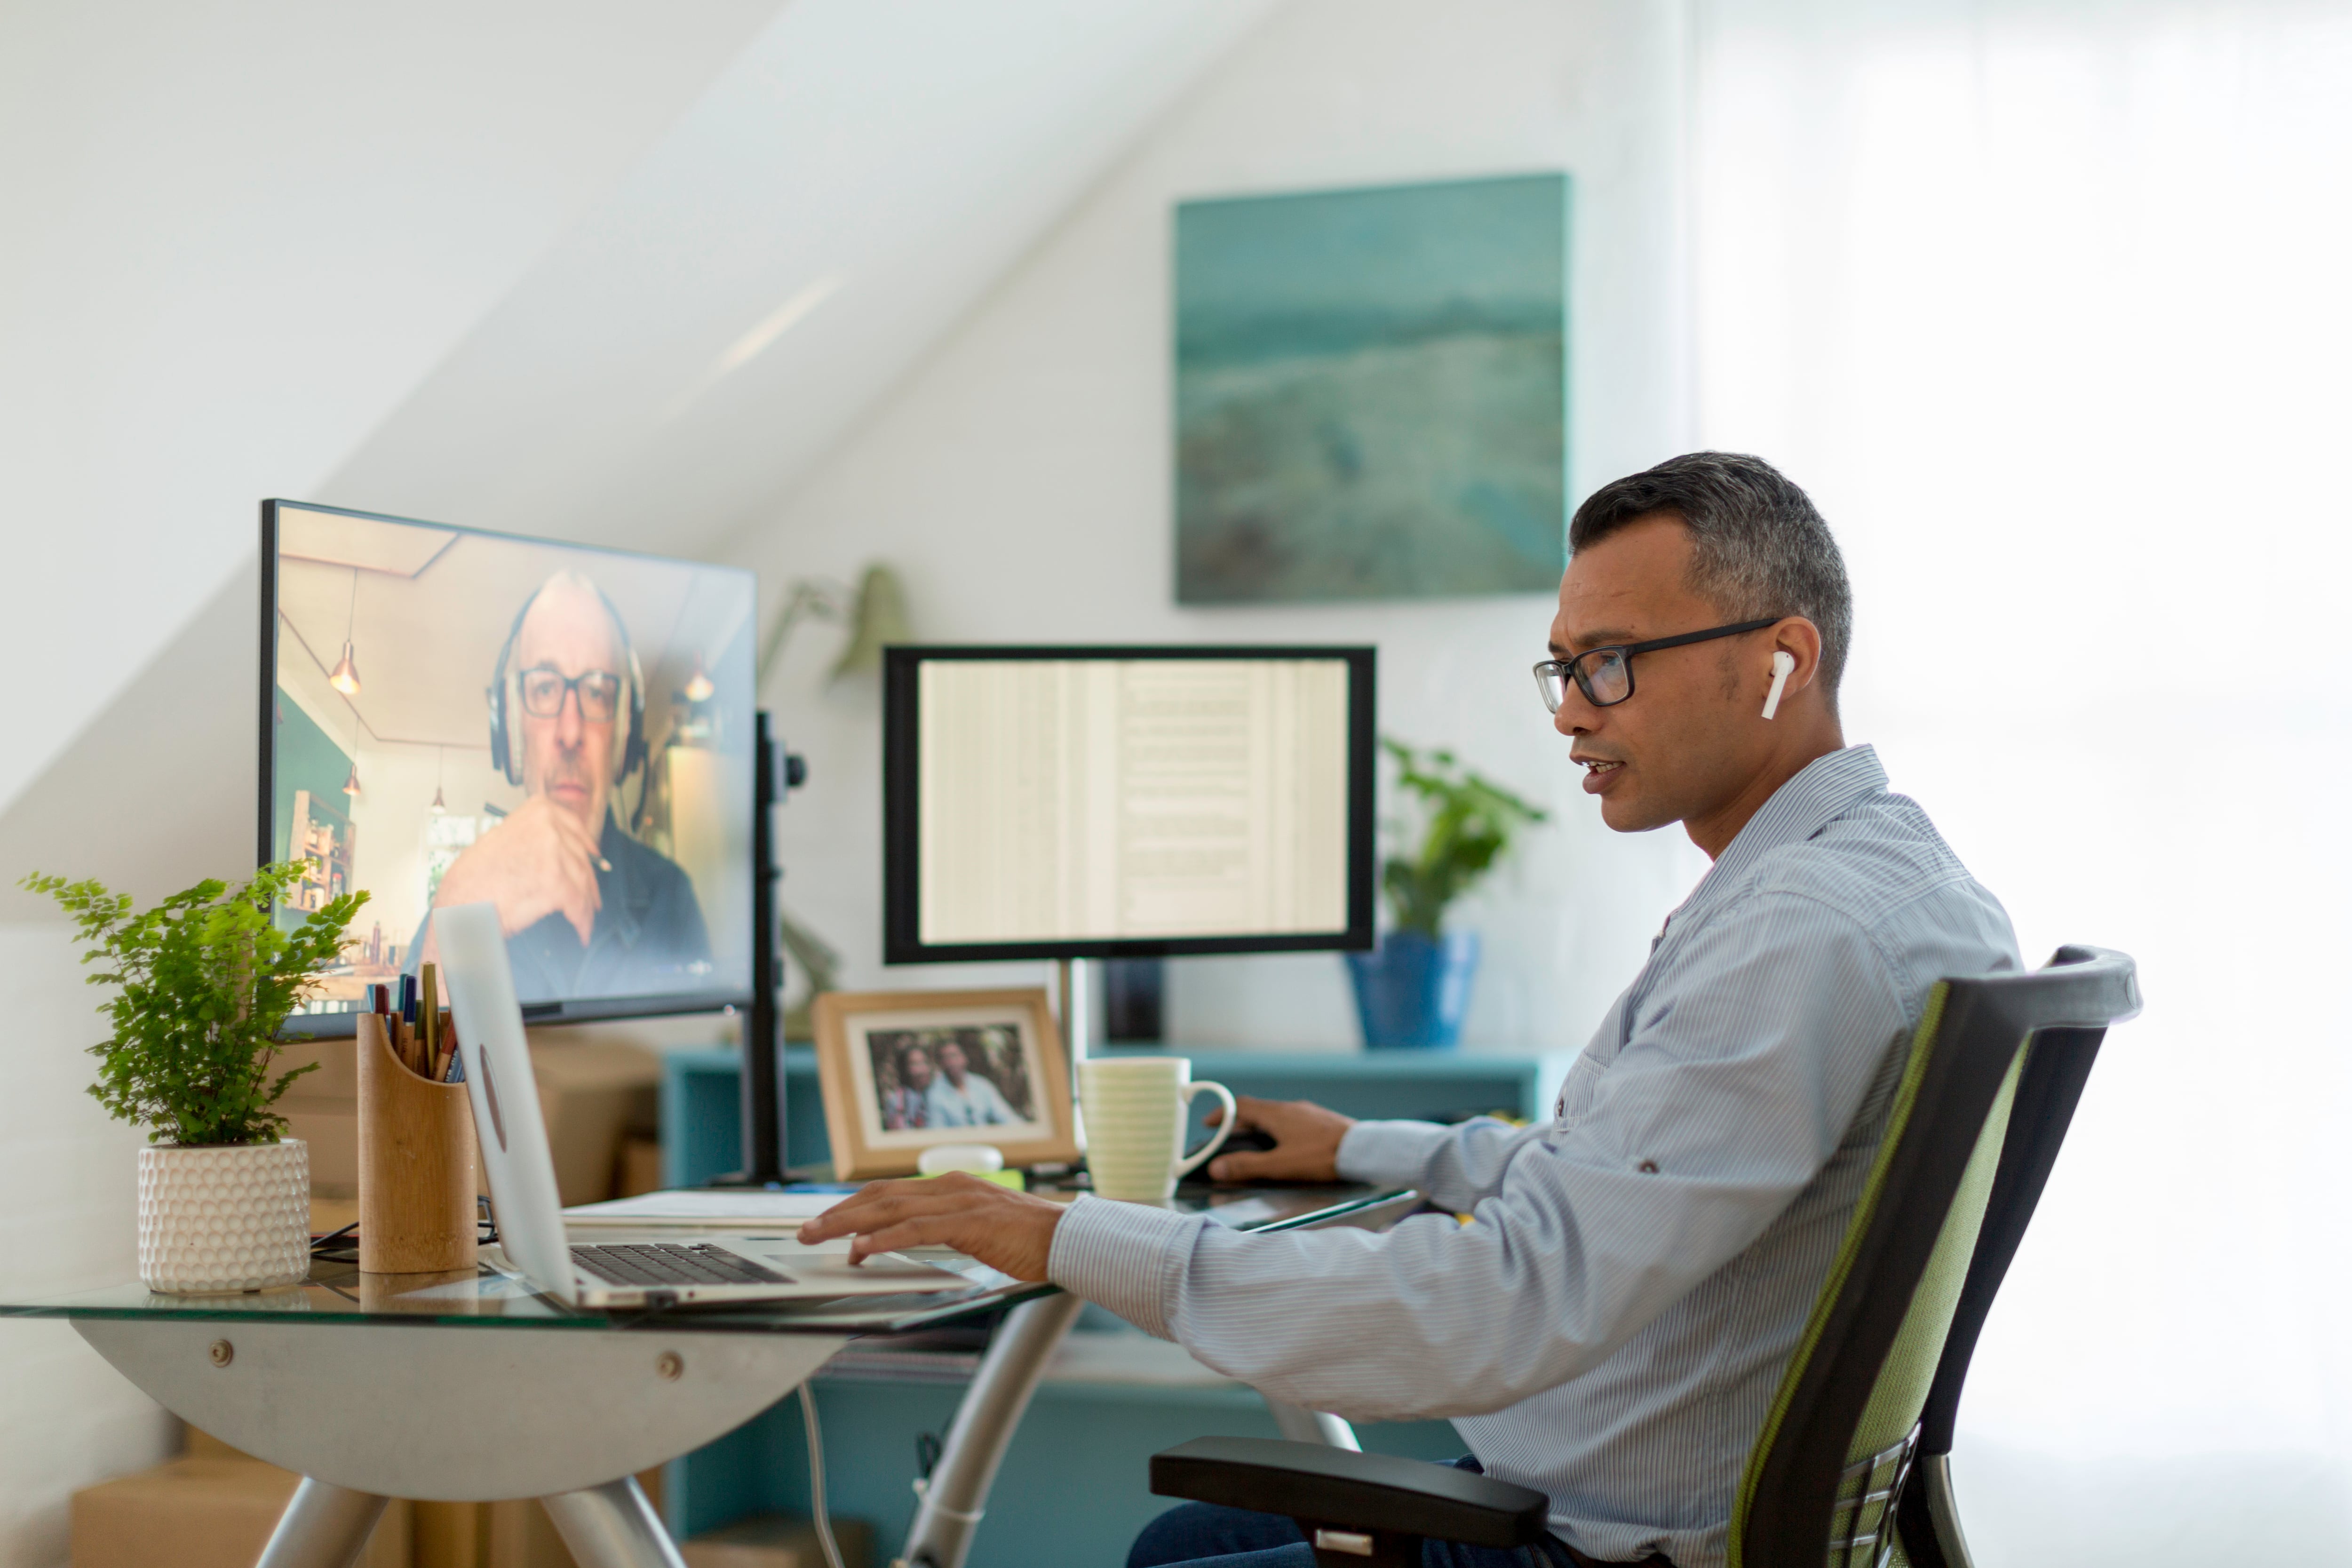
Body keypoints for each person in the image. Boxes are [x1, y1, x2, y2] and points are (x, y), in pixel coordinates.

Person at [800, 454, 2020, 1568]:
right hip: (1657, 1494)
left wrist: (1067, 1235)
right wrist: (1373, 1145)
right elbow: (1630, 1180)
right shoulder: (1880, 881)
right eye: (1564, 666)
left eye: (1612, 661)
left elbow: (1500, 1304)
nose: (1571, 712)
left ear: (1782, 661)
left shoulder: (1793, 932)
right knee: (1183, 1538)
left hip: (1610, 1542)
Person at [416, 571, 713, 1000]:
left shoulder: (673, 898)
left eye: (596, 692)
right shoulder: (464, 892)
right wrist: (457, 911)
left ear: (622, 732)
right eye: (545, 688)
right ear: (512, 729)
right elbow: (401, 1065)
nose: (571, 731)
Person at [923, 1038, 1019, 1128]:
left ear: (964, 1058)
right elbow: (938, 1130)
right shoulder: (935, 1094)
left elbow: (1006, 1117)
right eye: (946, 1058)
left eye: (954, 1056)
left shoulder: (982, 1085)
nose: (952, 1062)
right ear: (941, 1063)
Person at [881, 1043, 935, 1131]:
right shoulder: (897, 1100)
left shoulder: (939, 1094)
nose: (922, 1069)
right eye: (915, 1064)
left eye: (925, 1062)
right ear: (905, 1068)